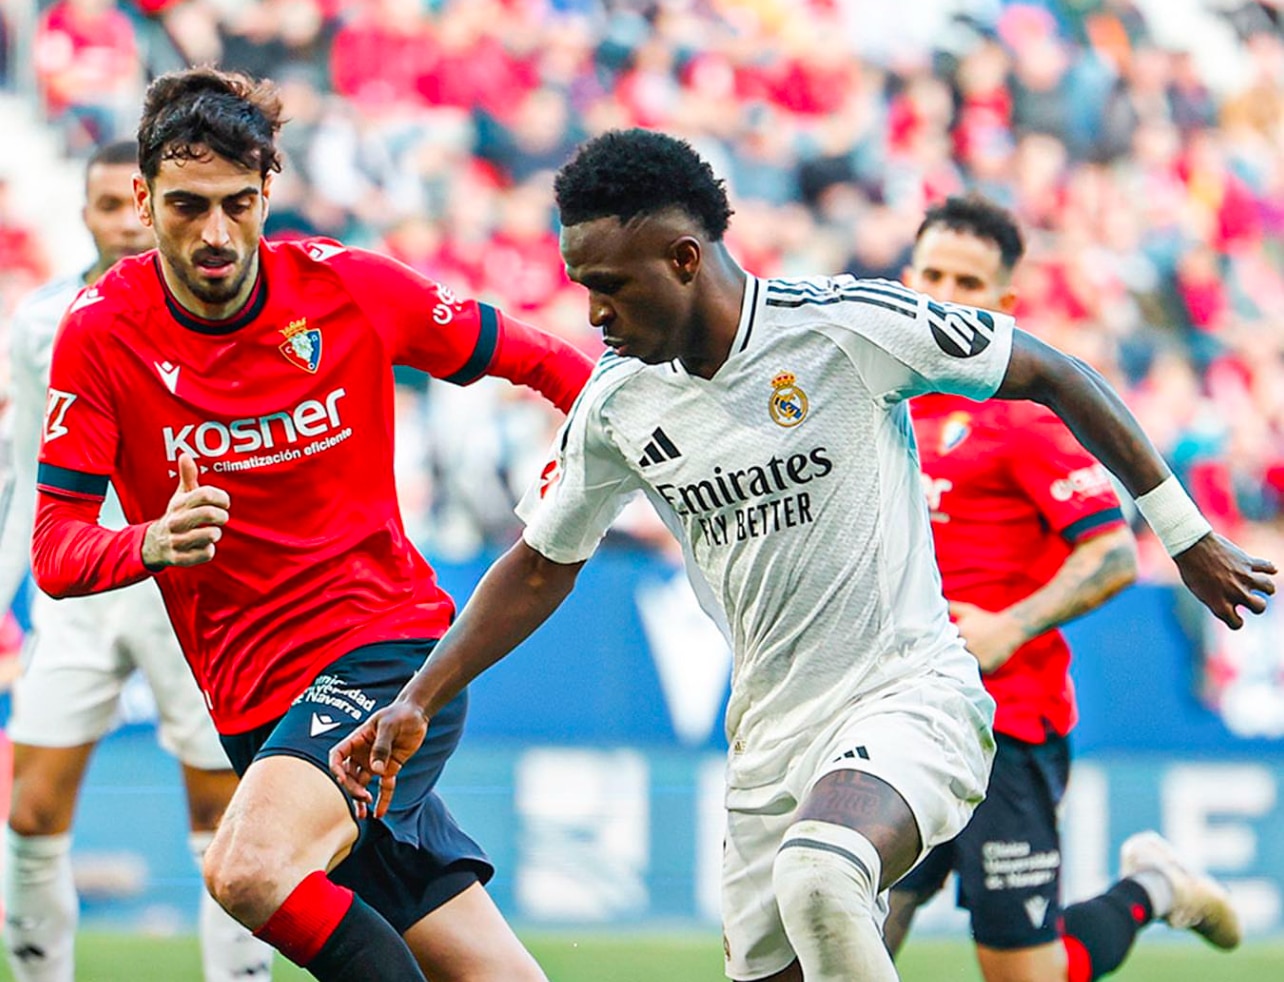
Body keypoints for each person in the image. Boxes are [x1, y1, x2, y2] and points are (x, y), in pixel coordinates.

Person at [329, 128, 1275, 982]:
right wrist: (419, 696)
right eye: (584, 290)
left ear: (684, 259)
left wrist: (1183, 534)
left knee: (825, 879)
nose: (595, 316)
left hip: (910, 691)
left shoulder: (844, 328)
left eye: (609, 288)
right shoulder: (618, 407)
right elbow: (540, 565)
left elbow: (1053, 371)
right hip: (771, 738)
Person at [29, 67, 593, 982]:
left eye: (237, 204)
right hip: (255, 707)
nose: (215, 234)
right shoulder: (99, 332)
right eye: (185, 206)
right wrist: (150, 541)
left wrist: (607, 468)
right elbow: (55, 546)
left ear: (268, 191)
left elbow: (544, 359)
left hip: (387, 655)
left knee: (249, 869)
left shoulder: (349, 289)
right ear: (142, 197)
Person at [886, 193, 1243, 982]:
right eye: (932, 273)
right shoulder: (881, 408)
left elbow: (1113, 555)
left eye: (967, 282)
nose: (943, 293)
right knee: (848, 934)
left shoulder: (1022, 415)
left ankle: (1152, 887)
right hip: (898, 716)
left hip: (1005, 724)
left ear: (1004, 303)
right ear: (906, 279)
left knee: (1025, 975)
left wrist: (1011, 626)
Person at [0, 139, 275, 982]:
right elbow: (24, 472)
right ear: (86, 213)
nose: (124, 223)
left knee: (222, 822)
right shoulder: (41, 322)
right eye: (106, 207)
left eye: (133, 206)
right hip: (80, 587)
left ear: (155, 206)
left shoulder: (227, 307)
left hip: (189, 587)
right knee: (31, 813)